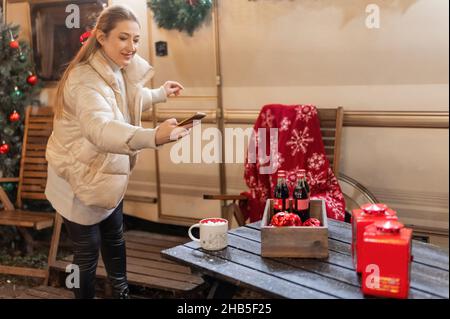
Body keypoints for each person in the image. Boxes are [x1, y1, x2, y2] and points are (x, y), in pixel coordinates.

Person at [45, 4, 190, 299]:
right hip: (78, 176)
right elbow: (100, 128)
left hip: (107, 174)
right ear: (101, 37)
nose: (131, 47)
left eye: (136, 39)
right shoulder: (85, 79)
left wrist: (160, 93)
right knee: (87, 253)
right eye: (123, 38)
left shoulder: (116, 68)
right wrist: (153, 136)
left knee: (115, 237)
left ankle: (120, 293)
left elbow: (127, 100)